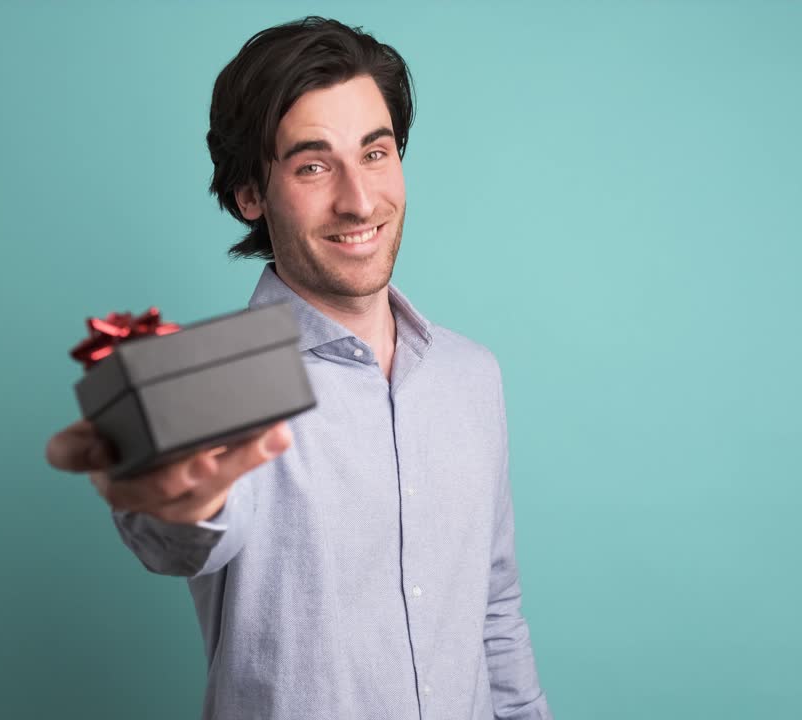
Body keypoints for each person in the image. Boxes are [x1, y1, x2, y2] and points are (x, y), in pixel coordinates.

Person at [46, 16, 553, 720]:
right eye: (313, 165)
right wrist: (167, 495)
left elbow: (494, 612)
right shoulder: (216, 385)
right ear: (249, 195)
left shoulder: (472, 377)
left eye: (375, 153)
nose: (360, 200)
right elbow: (177, 532)